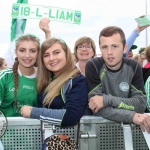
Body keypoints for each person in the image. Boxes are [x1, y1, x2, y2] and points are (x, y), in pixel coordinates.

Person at [85, 26, 150, 133]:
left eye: (114, 46)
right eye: (104, 47)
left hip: (129, 132)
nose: (109, 52)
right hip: (99, 132)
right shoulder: (93, 65)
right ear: (100, 49)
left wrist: (106, 100)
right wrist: (132, 116)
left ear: (124, 48)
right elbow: (95, 107)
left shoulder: (133, 66)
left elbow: (140, 104)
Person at [20, 38, 88, 127]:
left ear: (66, 54)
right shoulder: (47, 78)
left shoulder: (77, 80)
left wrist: (33, 112)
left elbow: (71, 116)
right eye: (46, 55)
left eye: (56, 52)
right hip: (43, 137)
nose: (51, 58)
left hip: (64, 138)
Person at [0, 34, 40, 116]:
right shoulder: (4, 77)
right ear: (16, 52)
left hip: (35, 128)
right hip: (5, 128)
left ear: (38, 53)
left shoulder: (44, 77)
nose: (27, 55)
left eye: (32, 51)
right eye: (22, 50)